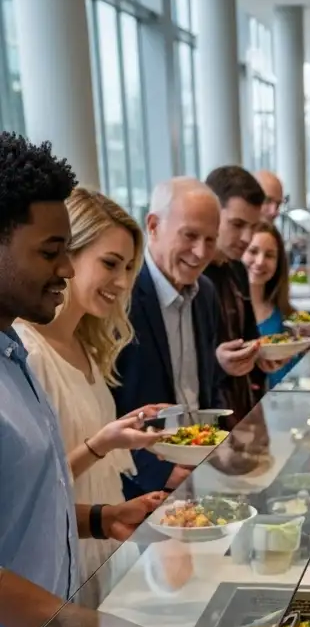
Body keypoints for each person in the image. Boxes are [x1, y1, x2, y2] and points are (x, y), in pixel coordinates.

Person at [0, 131, 202, 627]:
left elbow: (21, 497)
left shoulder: (14, 352)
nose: (65, 269)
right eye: (48, 251)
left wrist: (94, 519)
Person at [15, 186, 167, 591]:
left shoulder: (86, 344)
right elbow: (29, 491)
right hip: (61, 557)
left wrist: (122, 433)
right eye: (110, 264)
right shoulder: (28, 349)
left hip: (101, 543)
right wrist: (102, 443)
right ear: (70, 256)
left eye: (129, 268)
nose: (121, 282)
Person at [115, 177, 260, 497]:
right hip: (142, 488)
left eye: (211, 239)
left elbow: (204, 384)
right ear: (153, 226)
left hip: (201, 472)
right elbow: (107, 406)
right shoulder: (120, 297)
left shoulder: (205, 293)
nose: (201, 252)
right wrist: (159, 473)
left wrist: (222, 442)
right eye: (190, 236)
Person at [204, 165, 279, 424]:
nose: (247, 237)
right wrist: (217, 364)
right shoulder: (194, 275)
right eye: (237, 225)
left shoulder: (236, 268)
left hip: (243, 414)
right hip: (206, 423)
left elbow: (250, 339)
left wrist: (262, 358)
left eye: (253, 226)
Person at [243, 221, 302, 388]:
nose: (260, 261)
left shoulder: (287, 316)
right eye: (253, 251)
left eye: (269, 255)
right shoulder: (226, 315)